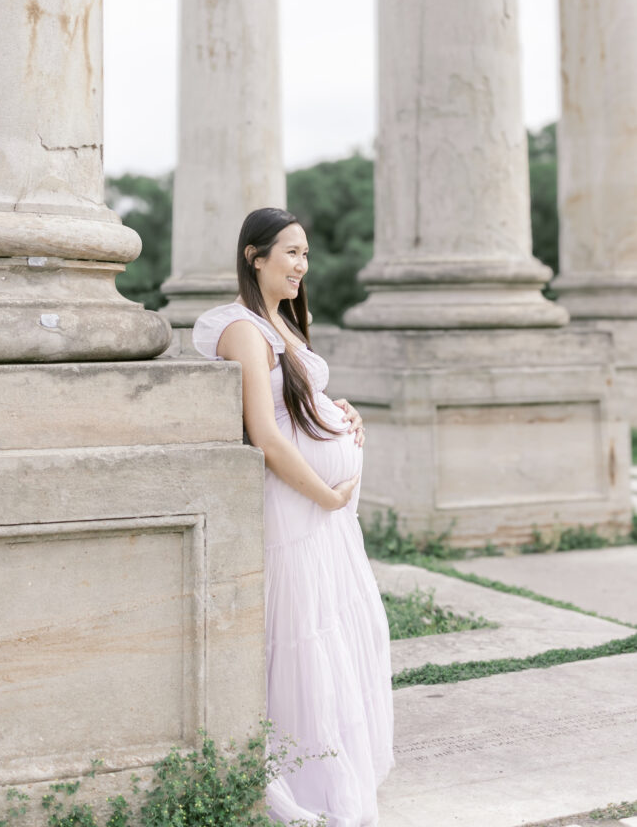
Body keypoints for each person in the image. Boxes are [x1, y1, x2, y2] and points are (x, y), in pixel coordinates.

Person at [192, 207, 394, 826]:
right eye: (291, 253)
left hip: (325, 516)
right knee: (302, 635)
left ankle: (336, 766)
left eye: (305, 254)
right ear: (255, 257)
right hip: (297, 509)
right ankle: (306, 778)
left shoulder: (281, 324)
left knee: (334, 627)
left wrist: (340, 413)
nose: (302, 266)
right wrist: (327, 493)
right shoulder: (243, 329)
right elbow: (266, 436)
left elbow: (296, 408)